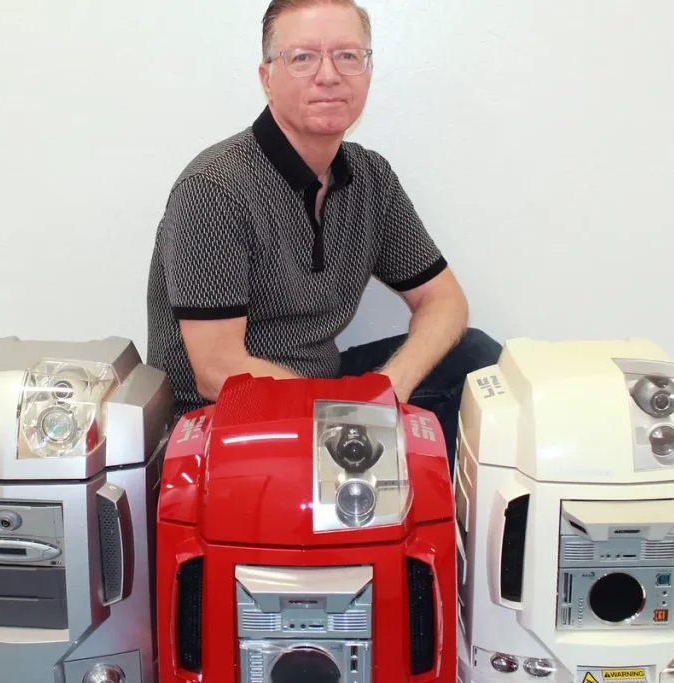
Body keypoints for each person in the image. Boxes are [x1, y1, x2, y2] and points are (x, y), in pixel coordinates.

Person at [146, 0, 502, 473]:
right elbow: (216, 371)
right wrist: (346, 412)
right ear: (267, 77)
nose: (329, 75)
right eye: (303, 57)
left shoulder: (370, 176)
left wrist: (388, 388)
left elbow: (445, 300)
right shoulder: (215, 188)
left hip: (321, 383)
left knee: (476, 358)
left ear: (368, 71)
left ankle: (432, 528)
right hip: (225, 417)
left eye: (348, 55)